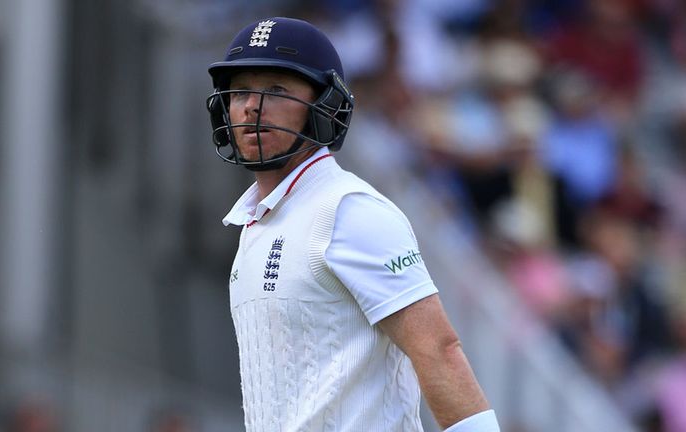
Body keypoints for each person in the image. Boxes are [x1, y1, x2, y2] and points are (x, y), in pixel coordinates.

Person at [206, 17, 500, 432]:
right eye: (241, 92)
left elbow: (437, 348)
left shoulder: (349, 210)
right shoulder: (255, 224)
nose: (253, 105)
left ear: (324, 107)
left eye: (276, 90)